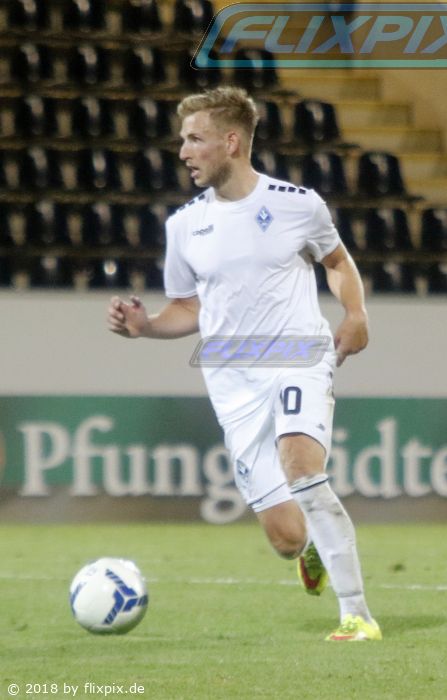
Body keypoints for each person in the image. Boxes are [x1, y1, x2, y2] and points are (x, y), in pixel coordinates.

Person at [107, 86, 381, 642]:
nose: (183, 152)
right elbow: (189, 308)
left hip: (298, 356)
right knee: (285, 539)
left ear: (231, 142)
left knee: (302, 467)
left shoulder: (297, 203)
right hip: (231, 380)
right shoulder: (184, 226)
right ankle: (313, 546)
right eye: (183, 140)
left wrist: (355, 312)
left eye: (195, 139)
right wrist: (146, 326)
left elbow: (336, 261)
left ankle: (357, 615)